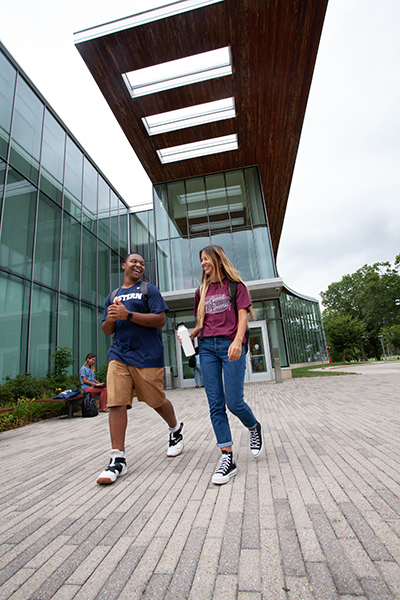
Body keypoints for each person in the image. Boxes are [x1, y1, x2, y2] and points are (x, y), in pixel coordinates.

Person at [97, 253, 184, 485]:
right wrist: (112, 318)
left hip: (147, 356)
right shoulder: (113, 296)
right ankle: (118, 459)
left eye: (142, 263)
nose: (139, 265)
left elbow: (160, 320)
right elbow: (107, 330)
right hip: (120, 354)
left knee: (156, 400)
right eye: (134, 261)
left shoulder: (149, 290)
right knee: (115, 401)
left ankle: (175, 429)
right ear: (124, 265)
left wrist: (129, 315)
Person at [184, 245, 263, 485]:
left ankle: (254, 427)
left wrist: (238, 341)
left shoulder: (236, 286)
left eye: (206, 259)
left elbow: (242, 317)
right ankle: (227, 457)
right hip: (207, 347)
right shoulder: (201, 290)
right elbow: (203, 321)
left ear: (218, 259)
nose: (202, 264)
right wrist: (192, 334)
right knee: (215, 404)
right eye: (201, 260)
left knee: (234, 402)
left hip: (230, 345)